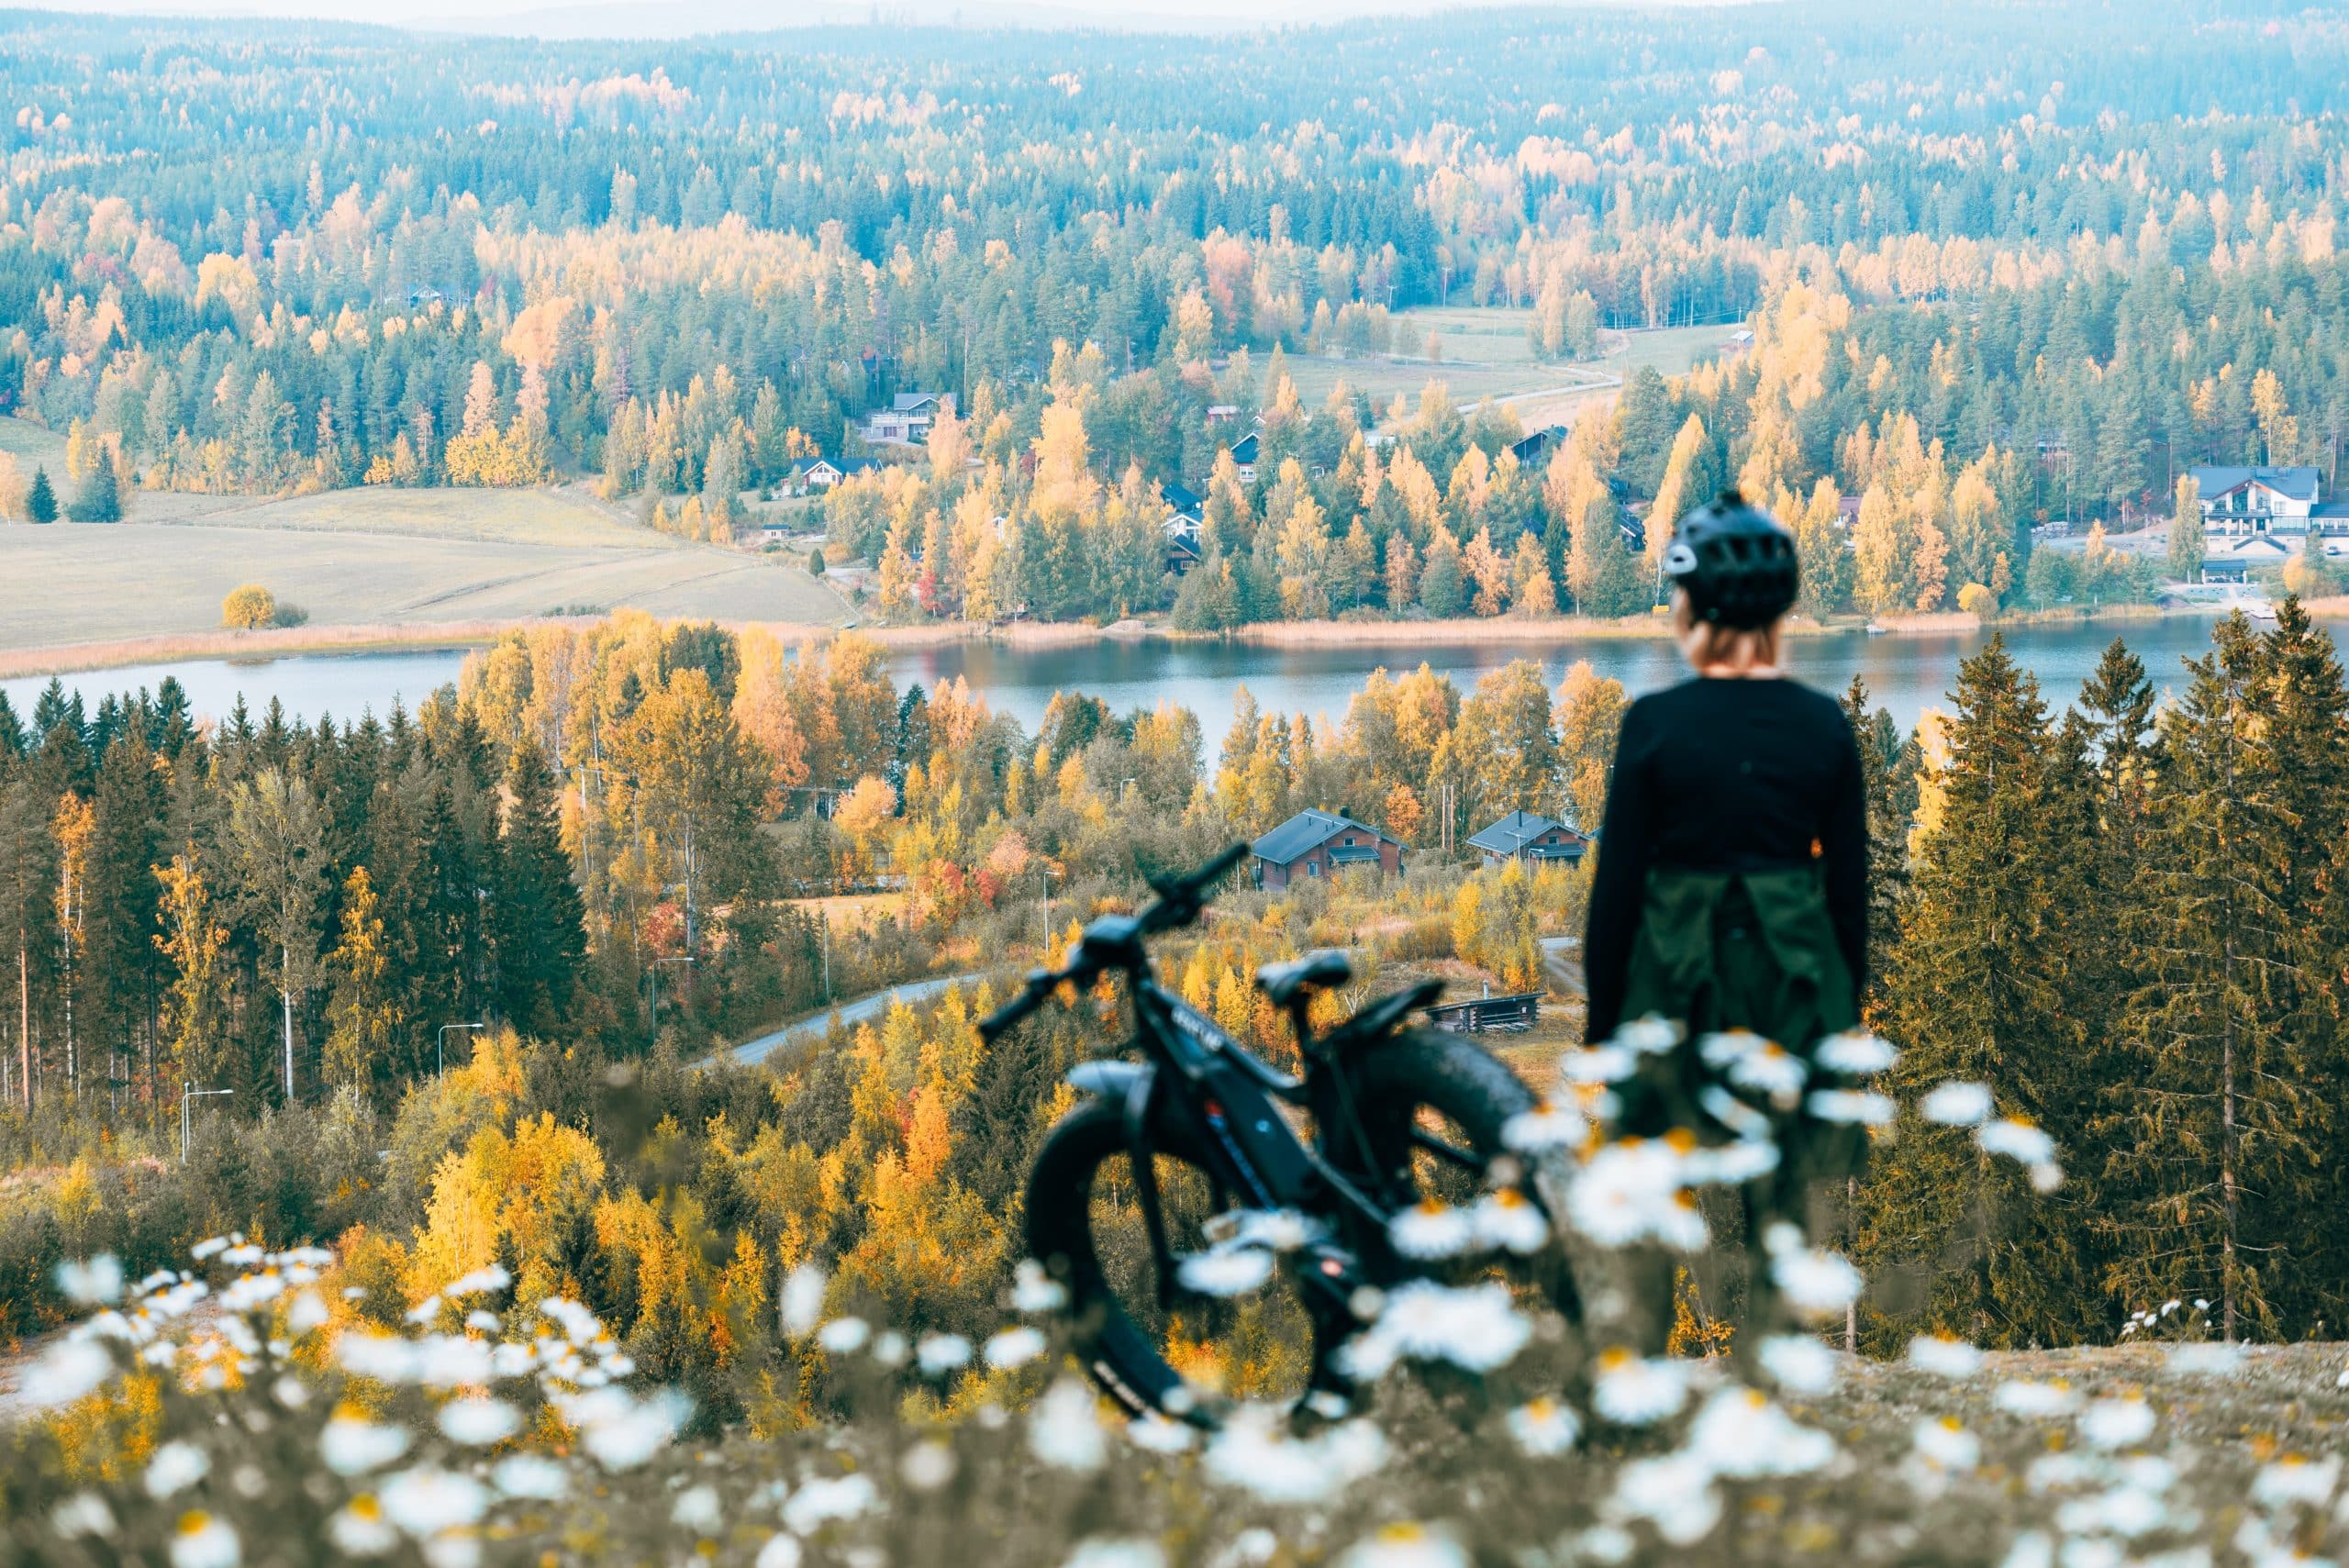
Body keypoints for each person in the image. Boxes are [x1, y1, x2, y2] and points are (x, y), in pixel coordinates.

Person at [1579, 489, 1870, 1344]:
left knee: (1650, 1196)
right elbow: (1848, 895)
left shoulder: (1654, 727)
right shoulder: (1824, 728)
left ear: (1691, 608)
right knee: (1778, 1200)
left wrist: (1604, 1026)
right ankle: (1774, 1380)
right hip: (1788, 986)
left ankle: (1639, 1375)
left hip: (1672, 982)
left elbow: (1616, 893)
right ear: (1780, 612)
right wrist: (1843, 1012)